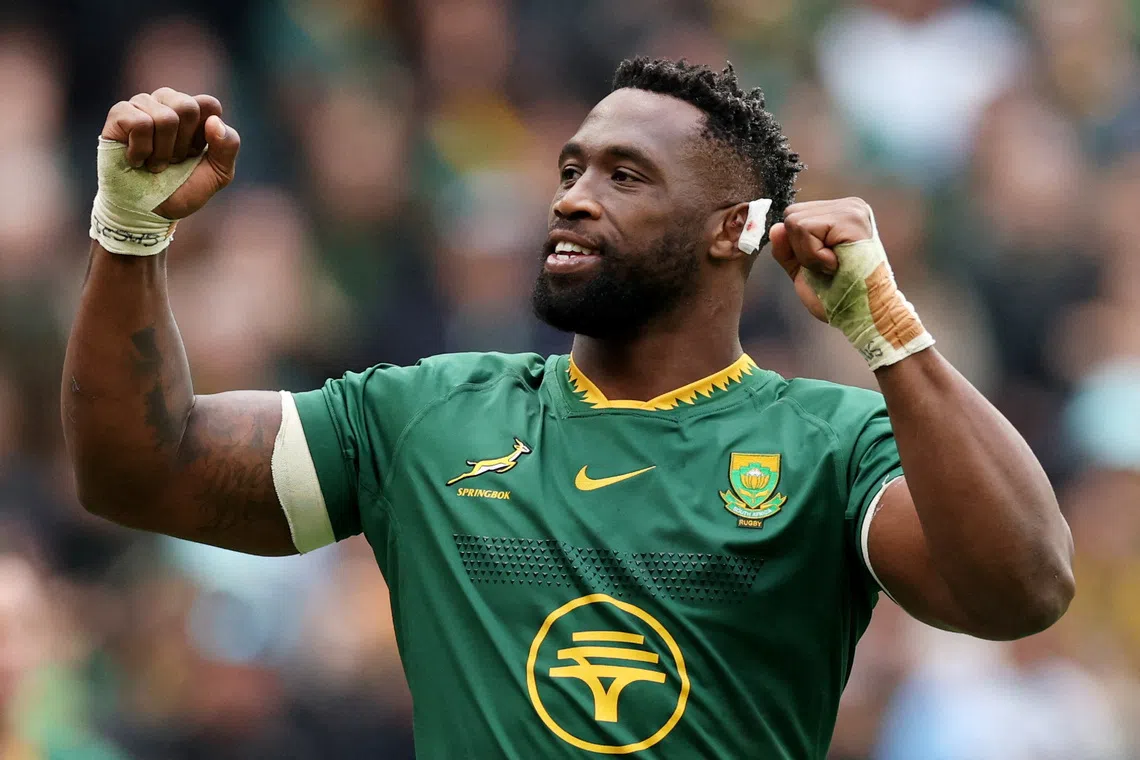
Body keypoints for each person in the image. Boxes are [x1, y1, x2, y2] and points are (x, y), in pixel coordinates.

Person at [63, 58, 1074, 758]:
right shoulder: (424, 415)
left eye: (624, 176)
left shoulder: (826, 441)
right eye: (571, 168)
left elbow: (1021, 588)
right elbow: (138, 470)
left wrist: (888, 331)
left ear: (733, 229)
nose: (573, 196)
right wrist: (129, 232)